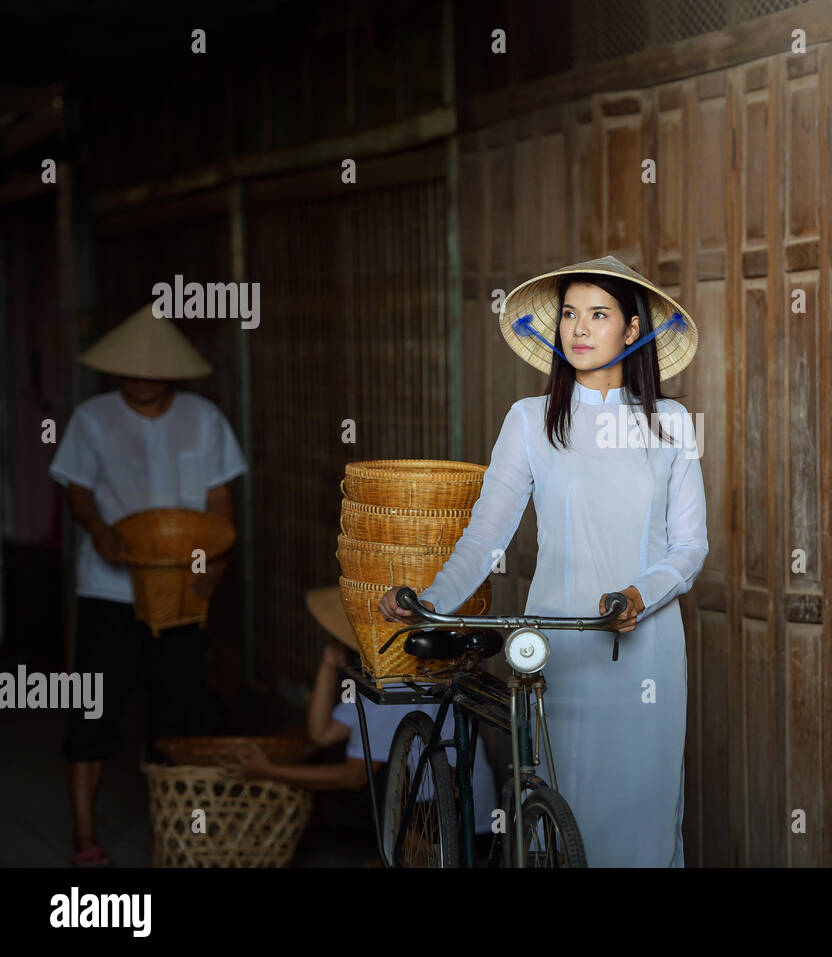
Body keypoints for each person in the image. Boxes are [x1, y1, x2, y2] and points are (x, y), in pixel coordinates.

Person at [378, 255, 708, 867]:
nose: (579, 329)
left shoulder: (672, 424)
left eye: (599, 315)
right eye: (569, 315)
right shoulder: (530, 422)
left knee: (645, 817)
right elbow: (486, 534)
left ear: (633, 331)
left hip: (649, 652)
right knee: (562, 808)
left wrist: (638, 595)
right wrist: (431, 601)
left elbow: (689, 547)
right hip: (559, 646)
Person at [47, 304, 248, 867]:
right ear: (116, 371)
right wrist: (97, 529)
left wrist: (215, 564)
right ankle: (83, 832)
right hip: (107, 589)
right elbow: (79, 492)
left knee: (180, 714)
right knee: (93, 710)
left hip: (182, 593)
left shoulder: (205, 419)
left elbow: (218, 502)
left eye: (154, 369)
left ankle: (180, 834)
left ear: (175, 372)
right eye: (131, 369)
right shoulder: (91, 418)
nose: (142, 377)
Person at [223, 587, 497, 862]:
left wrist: (268, 771)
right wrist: (329, 664)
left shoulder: (397, 685)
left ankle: (420, 854)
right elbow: (321, 734)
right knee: (336, 756)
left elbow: (353, 777)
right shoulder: (378, 680)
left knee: (364, 779)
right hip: (444, 805)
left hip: (460, 817)